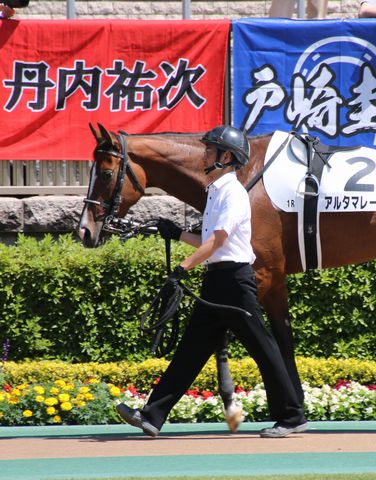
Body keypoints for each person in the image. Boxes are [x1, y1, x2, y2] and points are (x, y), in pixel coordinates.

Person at [116, 125, 308, 439]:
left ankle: (292, 416)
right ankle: (152, 415)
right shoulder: (216, 191)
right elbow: (208, 240)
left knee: (264, 349)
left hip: (235, 283)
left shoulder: (233, 192)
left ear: (226, 157)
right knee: (191, 350)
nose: (204, 154)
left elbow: (219, 240)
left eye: (210, 150)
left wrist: (183, 267)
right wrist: (177, 233)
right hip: (217, 281)